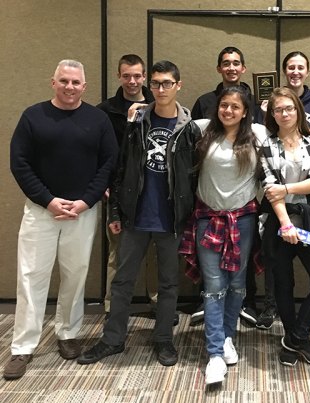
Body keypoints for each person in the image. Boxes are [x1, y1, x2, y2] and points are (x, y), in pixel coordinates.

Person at [77, 60, 201, 367]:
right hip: (135, 217)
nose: (161, 89)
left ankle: (163, 340)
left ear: (178, 86)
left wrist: (191, 219)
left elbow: (195, 178)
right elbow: (122, 170)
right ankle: (112, 339)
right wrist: (114, 212)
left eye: (167, 83)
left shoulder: (189, 129)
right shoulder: (137, 124)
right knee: (122, 282)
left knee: (169, 284)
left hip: (171, 219)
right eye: (156, 83)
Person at [5, 60, 118, 380]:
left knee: (75, 275)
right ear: (52, 82)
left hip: (82, 212)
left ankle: (67, 334)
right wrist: (49, 200)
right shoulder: (33, 116)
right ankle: (22, 347)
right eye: (64, 81)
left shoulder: (97, 120)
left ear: (84, 86)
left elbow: (109, 163)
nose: (70, 87)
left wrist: (85, 201)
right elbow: (20, 163)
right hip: (41, 212)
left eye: (76, 82)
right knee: (30, 278)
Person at [180, 86, 267, 384]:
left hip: (243, 220)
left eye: (235, 107)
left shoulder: (257, 134)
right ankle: (215, 352)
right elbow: (170, 118)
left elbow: (292, 134)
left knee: (238, 283)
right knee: (215, 284)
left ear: (246, 112)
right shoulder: (203, 130)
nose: (228, 111)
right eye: (224, 105)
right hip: (208, 219)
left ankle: (228, 336)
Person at [256, 51, 310, 333]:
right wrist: (285, 224)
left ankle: (299, 332)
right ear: (272, 112)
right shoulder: (266, 145)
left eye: (289, 109)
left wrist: (287, 187)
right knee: (282, 284)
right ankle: (293, 334)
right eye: (278, 109)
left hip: (308, 218)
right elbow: (269, 188)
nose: (284, 114)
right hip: (278, 222)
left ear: (298, 111)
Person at [190, 46, 259, 327]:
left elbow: (281, 136)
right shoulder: (204, 111)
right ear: (219, 67)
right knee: (213, 278)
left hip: (243, 211)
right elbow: (181, 129)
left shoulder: (257, 122)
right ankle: (213, 318)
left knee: (239, 276)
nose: (228, 110)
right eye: (226, 63)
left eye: (236, 63)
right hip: (209, 209)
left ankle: (241, 310)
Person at [96, 54, 156, 318]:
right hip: (119, 192)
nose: (132, 81)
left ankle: (158, 304)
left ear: (144, 77)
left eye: (137, 75)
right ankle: (114, 307)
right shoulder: (105, 111)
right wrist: (103, 187)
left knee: (156, 253)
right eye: (126, 76)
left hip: (155, 191)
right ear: (119, 76)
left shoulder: (160, 105)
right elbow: (97, 154)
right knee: (118, 252)